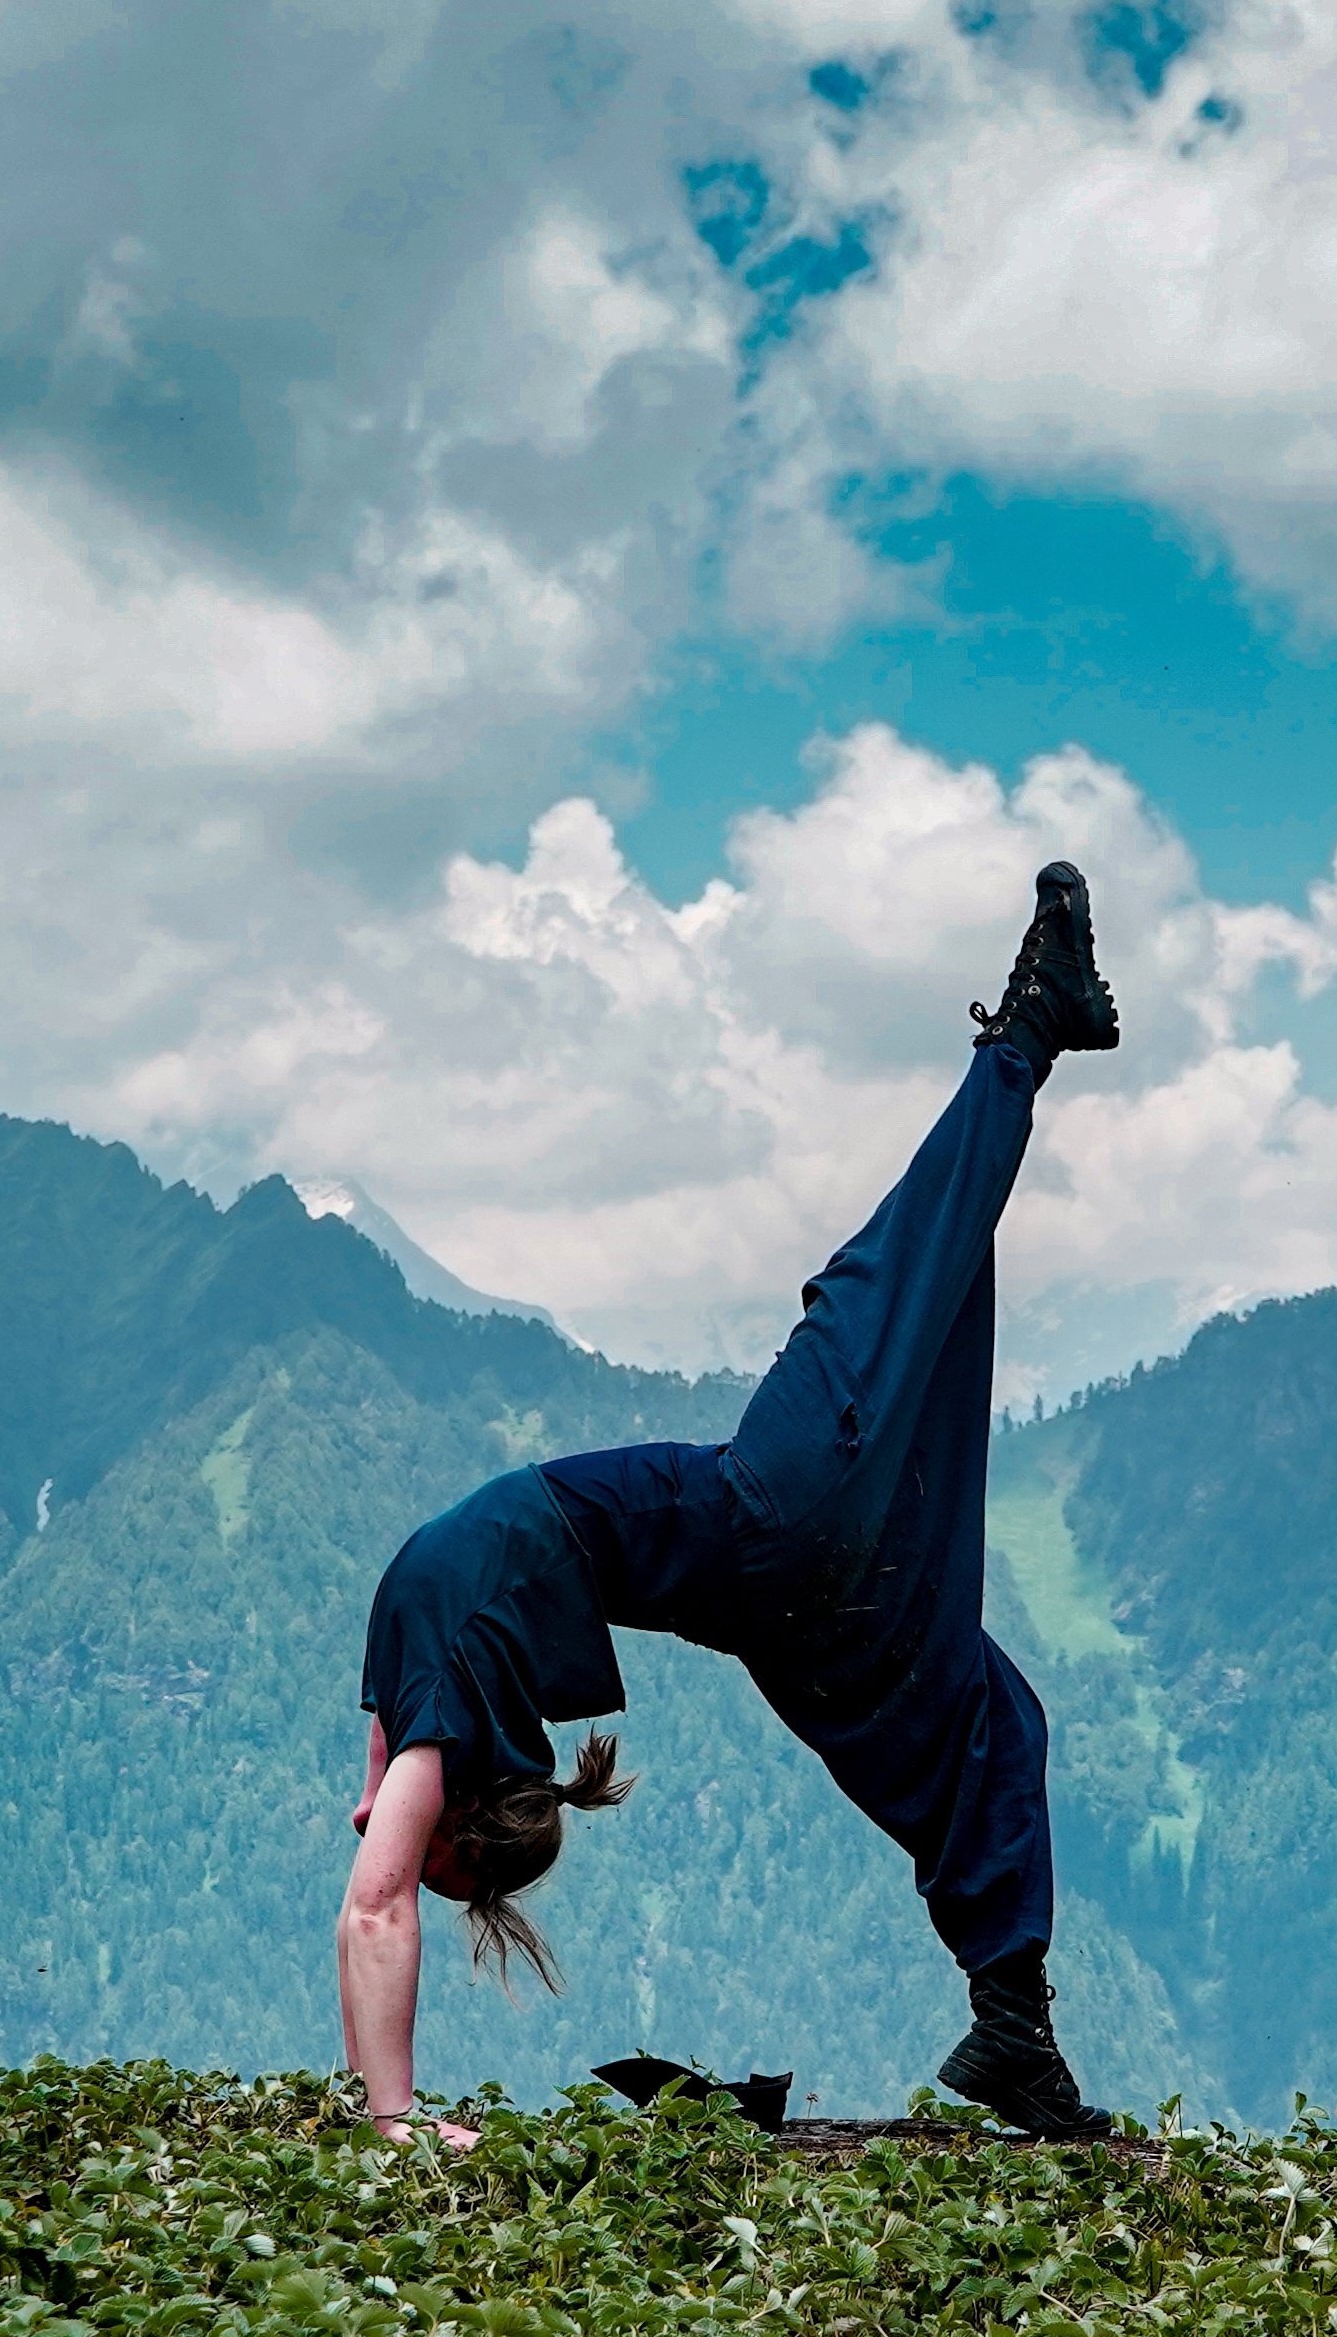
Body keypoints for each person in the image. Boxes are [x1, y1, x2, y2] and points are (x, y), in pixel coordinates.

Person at [343, 860, 1126, 2146]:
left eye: (424, 1859)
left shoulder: (427, 1688)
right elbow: (379, 1888)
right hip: (775, 1521)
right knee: (888, 1280)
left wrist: (395, 1831)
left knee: (983, 1707)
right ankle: (1035, 1022)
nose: (394, 1848)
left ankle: (1014, 2023)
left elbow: (380, 1834)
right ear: (464, 1814)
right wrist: (390, 2120)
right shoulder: (438, 1687)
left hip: (784, 1601)